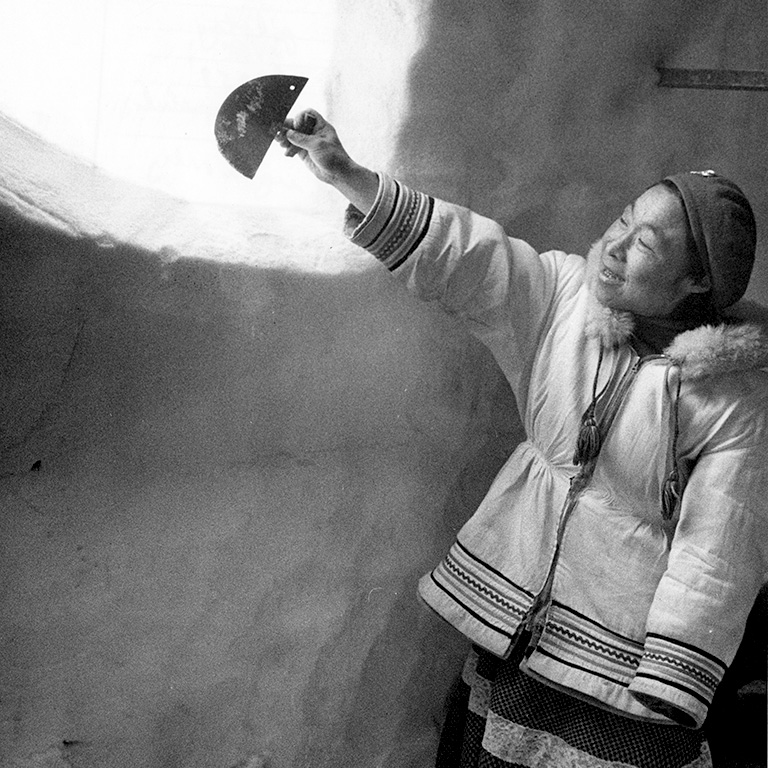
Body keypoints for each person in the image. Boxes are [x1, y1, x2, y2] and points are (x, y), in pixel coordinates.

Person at [277, 110, 768, 768]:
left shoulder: (736, 398)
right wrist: (347, 175)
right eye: (622, 221)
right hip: (519, 627)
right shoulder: (566, 297)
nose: (616, 246)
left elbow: (722, 546)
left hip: (625, 662)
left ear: (696, 283)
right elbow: (471, 258)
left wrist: (670, 681)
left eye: (647, 243)